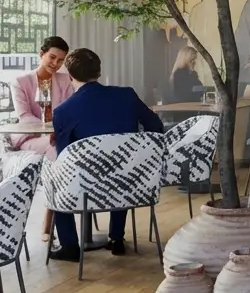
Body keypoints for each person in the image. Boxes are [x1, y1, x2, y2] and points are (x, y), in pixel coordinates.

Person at [49, 48, 165, 262]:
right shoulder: (127, 95)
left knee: (55, 179)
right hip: (132, 183)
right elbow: (156, 127)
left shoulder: (63, 111)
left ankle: (70, 246)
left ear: (71, 76)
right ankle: (117, 238)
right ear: (99, 72)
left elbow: (64, 157)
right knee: (119, 164)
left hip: (86, 188)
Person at [11, 36, 74, 240]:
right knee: (56, 150)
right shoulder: (20, 82)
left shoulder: (65, 80)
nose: (56, 64)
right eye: (52, 58)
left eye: (61, 60)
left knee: (63, 151)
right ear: (41, 55)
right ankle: (50, 221)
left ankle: (56, 217)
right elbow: (25, 117)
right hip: (30, 137)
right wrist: (51, 130)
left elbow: (68, 111)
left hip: (58, 136)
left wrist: (59, 130)